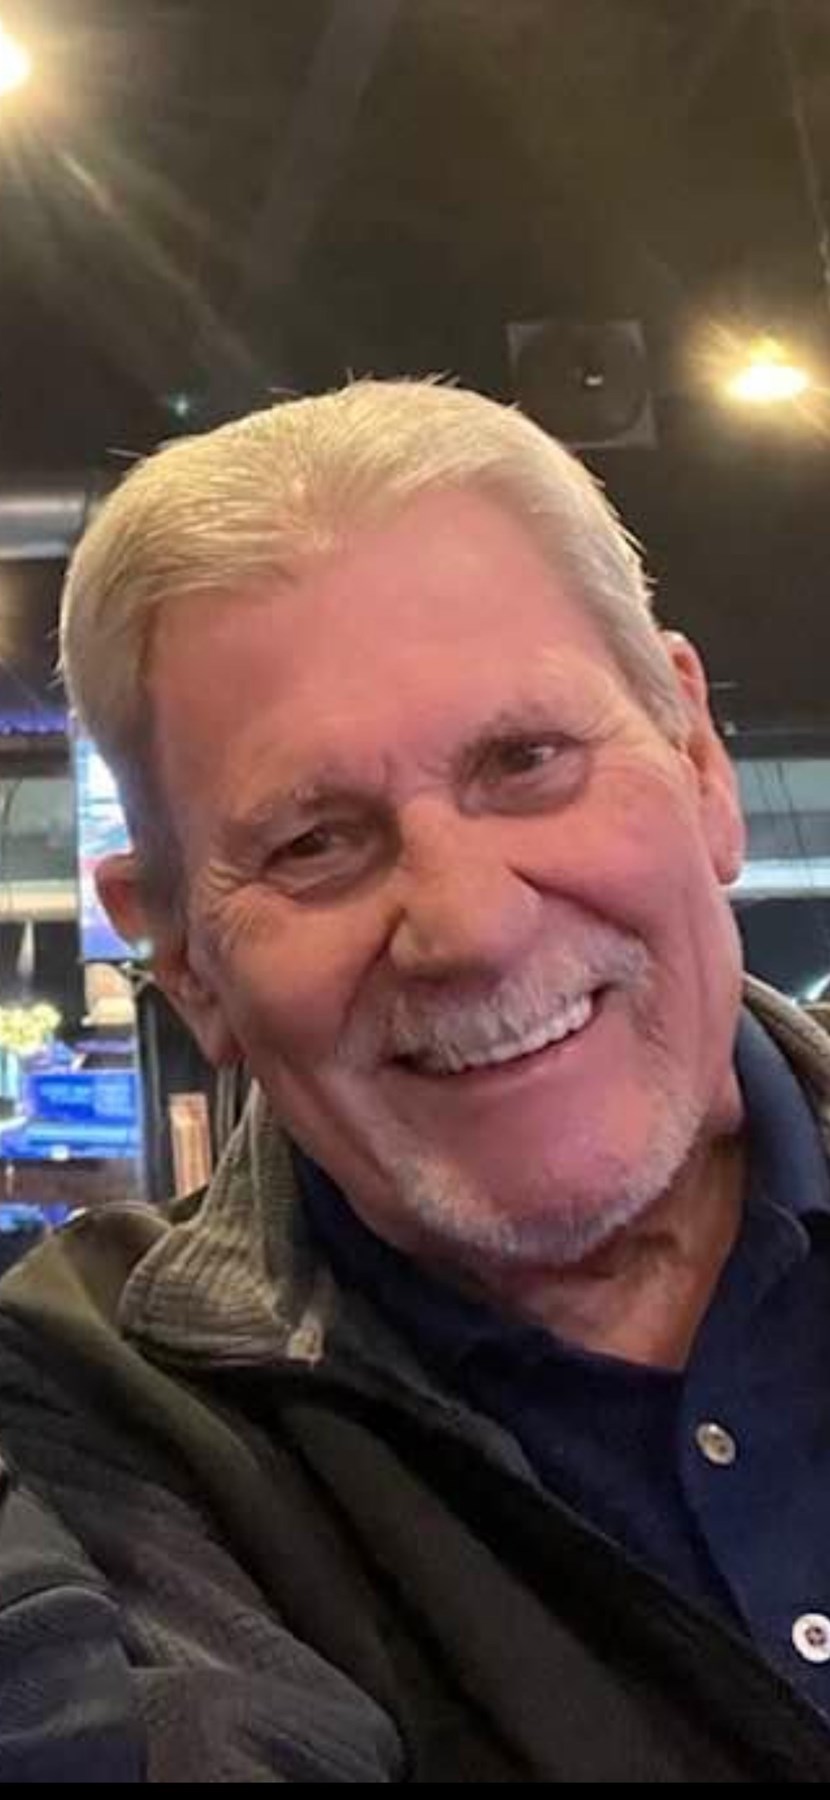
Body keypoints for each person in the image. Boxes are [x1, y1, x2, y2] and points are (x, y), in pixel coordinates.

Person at [1, 379, 829, 1782]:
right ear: (182, 955)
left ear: (698, 762)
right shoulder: (98, 1418)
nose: (471, 926)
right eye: (313, 842)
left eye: (527, 760)